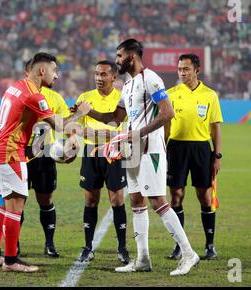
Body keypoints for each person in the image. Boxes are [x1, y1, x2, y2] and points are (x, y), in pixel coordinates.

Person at [75, 39, 199, 276]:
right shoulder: (129, 85)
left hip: (150, 149)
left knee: (157, 201)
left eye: (120, 56)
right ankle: (142, 259)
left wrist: (137, 134)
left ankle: (188, 253)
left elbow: (168, 113)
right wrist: (88, 111)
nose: (117, 60)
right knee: (136, 202)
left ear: (131, 56)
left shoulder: (150, 79)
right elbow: (115, 116)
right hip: (132, 150)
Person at [0, 52, 82, 273]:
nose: (56, 76)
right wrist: (79, 115)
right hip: (11, 154)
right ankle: (10, 261)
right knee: (15, 206)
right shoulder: (34, 95)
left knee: (2, 204)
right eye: (54, 70)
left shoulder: (15, 86)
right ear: (42, 70)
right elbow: (60, 126)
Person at [165, 54, 223, 261]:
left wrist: (217, 155)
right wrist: (163, 150)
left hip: (201, 149)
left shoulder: (210, 95)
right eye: (180, 69)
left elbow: (215, 126)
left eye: (186, 69)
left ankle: (209, 246)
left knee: (205, 197)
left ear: (197, 71)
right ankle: (179, 246)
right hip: (176, 148)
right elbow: (166, 125)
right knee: (176, 196)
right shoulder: (170, 94)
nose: (182, 73)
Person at [75, 60, 130, 265]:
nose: (99, 78)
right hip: (90, 153)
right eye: (97, 74)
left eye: (104, 74)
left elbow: (125, 130)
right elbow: (74, 125)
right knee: (91, 201)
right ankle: (88, 247)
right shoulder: (84, 98)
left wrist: (106, 135)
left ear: (113, 77)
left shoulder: (122, 99)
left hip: (114, 153)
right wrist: (85, 132)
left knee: (117, 200)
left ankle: (122, 248)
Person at [24, 60, 71, 258]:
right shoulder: (22, 93)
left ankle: (49, 244)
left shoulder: (55, 98)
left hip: (45, 153)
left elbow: (67, 125)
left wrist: (72, 144)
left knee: (46, 199)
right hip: (22, 152)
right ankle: (13, 245)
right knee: (17, 200)